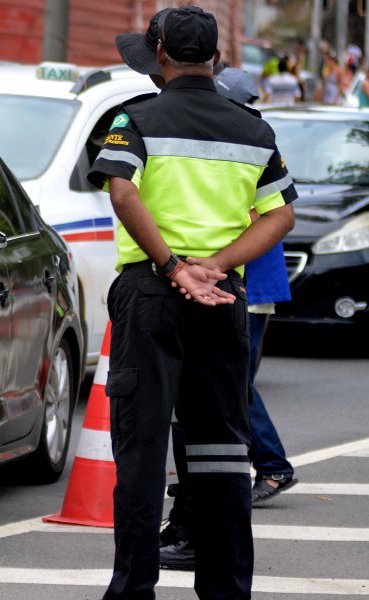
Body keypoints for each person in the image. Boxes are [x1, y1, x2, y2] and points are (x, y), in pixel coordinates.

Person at [88, 6, 296, 599]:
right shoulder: (253, 129)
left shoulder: (136, 118)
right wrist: (219, 266)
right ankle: (228, 588)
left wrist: (172, 265)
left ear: (160, 56)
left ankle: (133, 589)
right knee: (223, 452)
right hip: (220, 295)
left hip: (153, 292)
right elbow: (282, 212)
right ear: (216, 59)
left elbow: (122, 188)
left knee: (143, 448)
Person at [158, 65, 300, 572]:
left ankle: (272, 467)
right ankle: (233, 481)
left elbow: (263, 218)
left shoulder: (245, 141)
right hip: (234, 285)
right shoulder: (242, 136)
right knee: (229, 391)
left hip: (245, 288)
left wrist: (204, 263)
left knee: (234, 392)